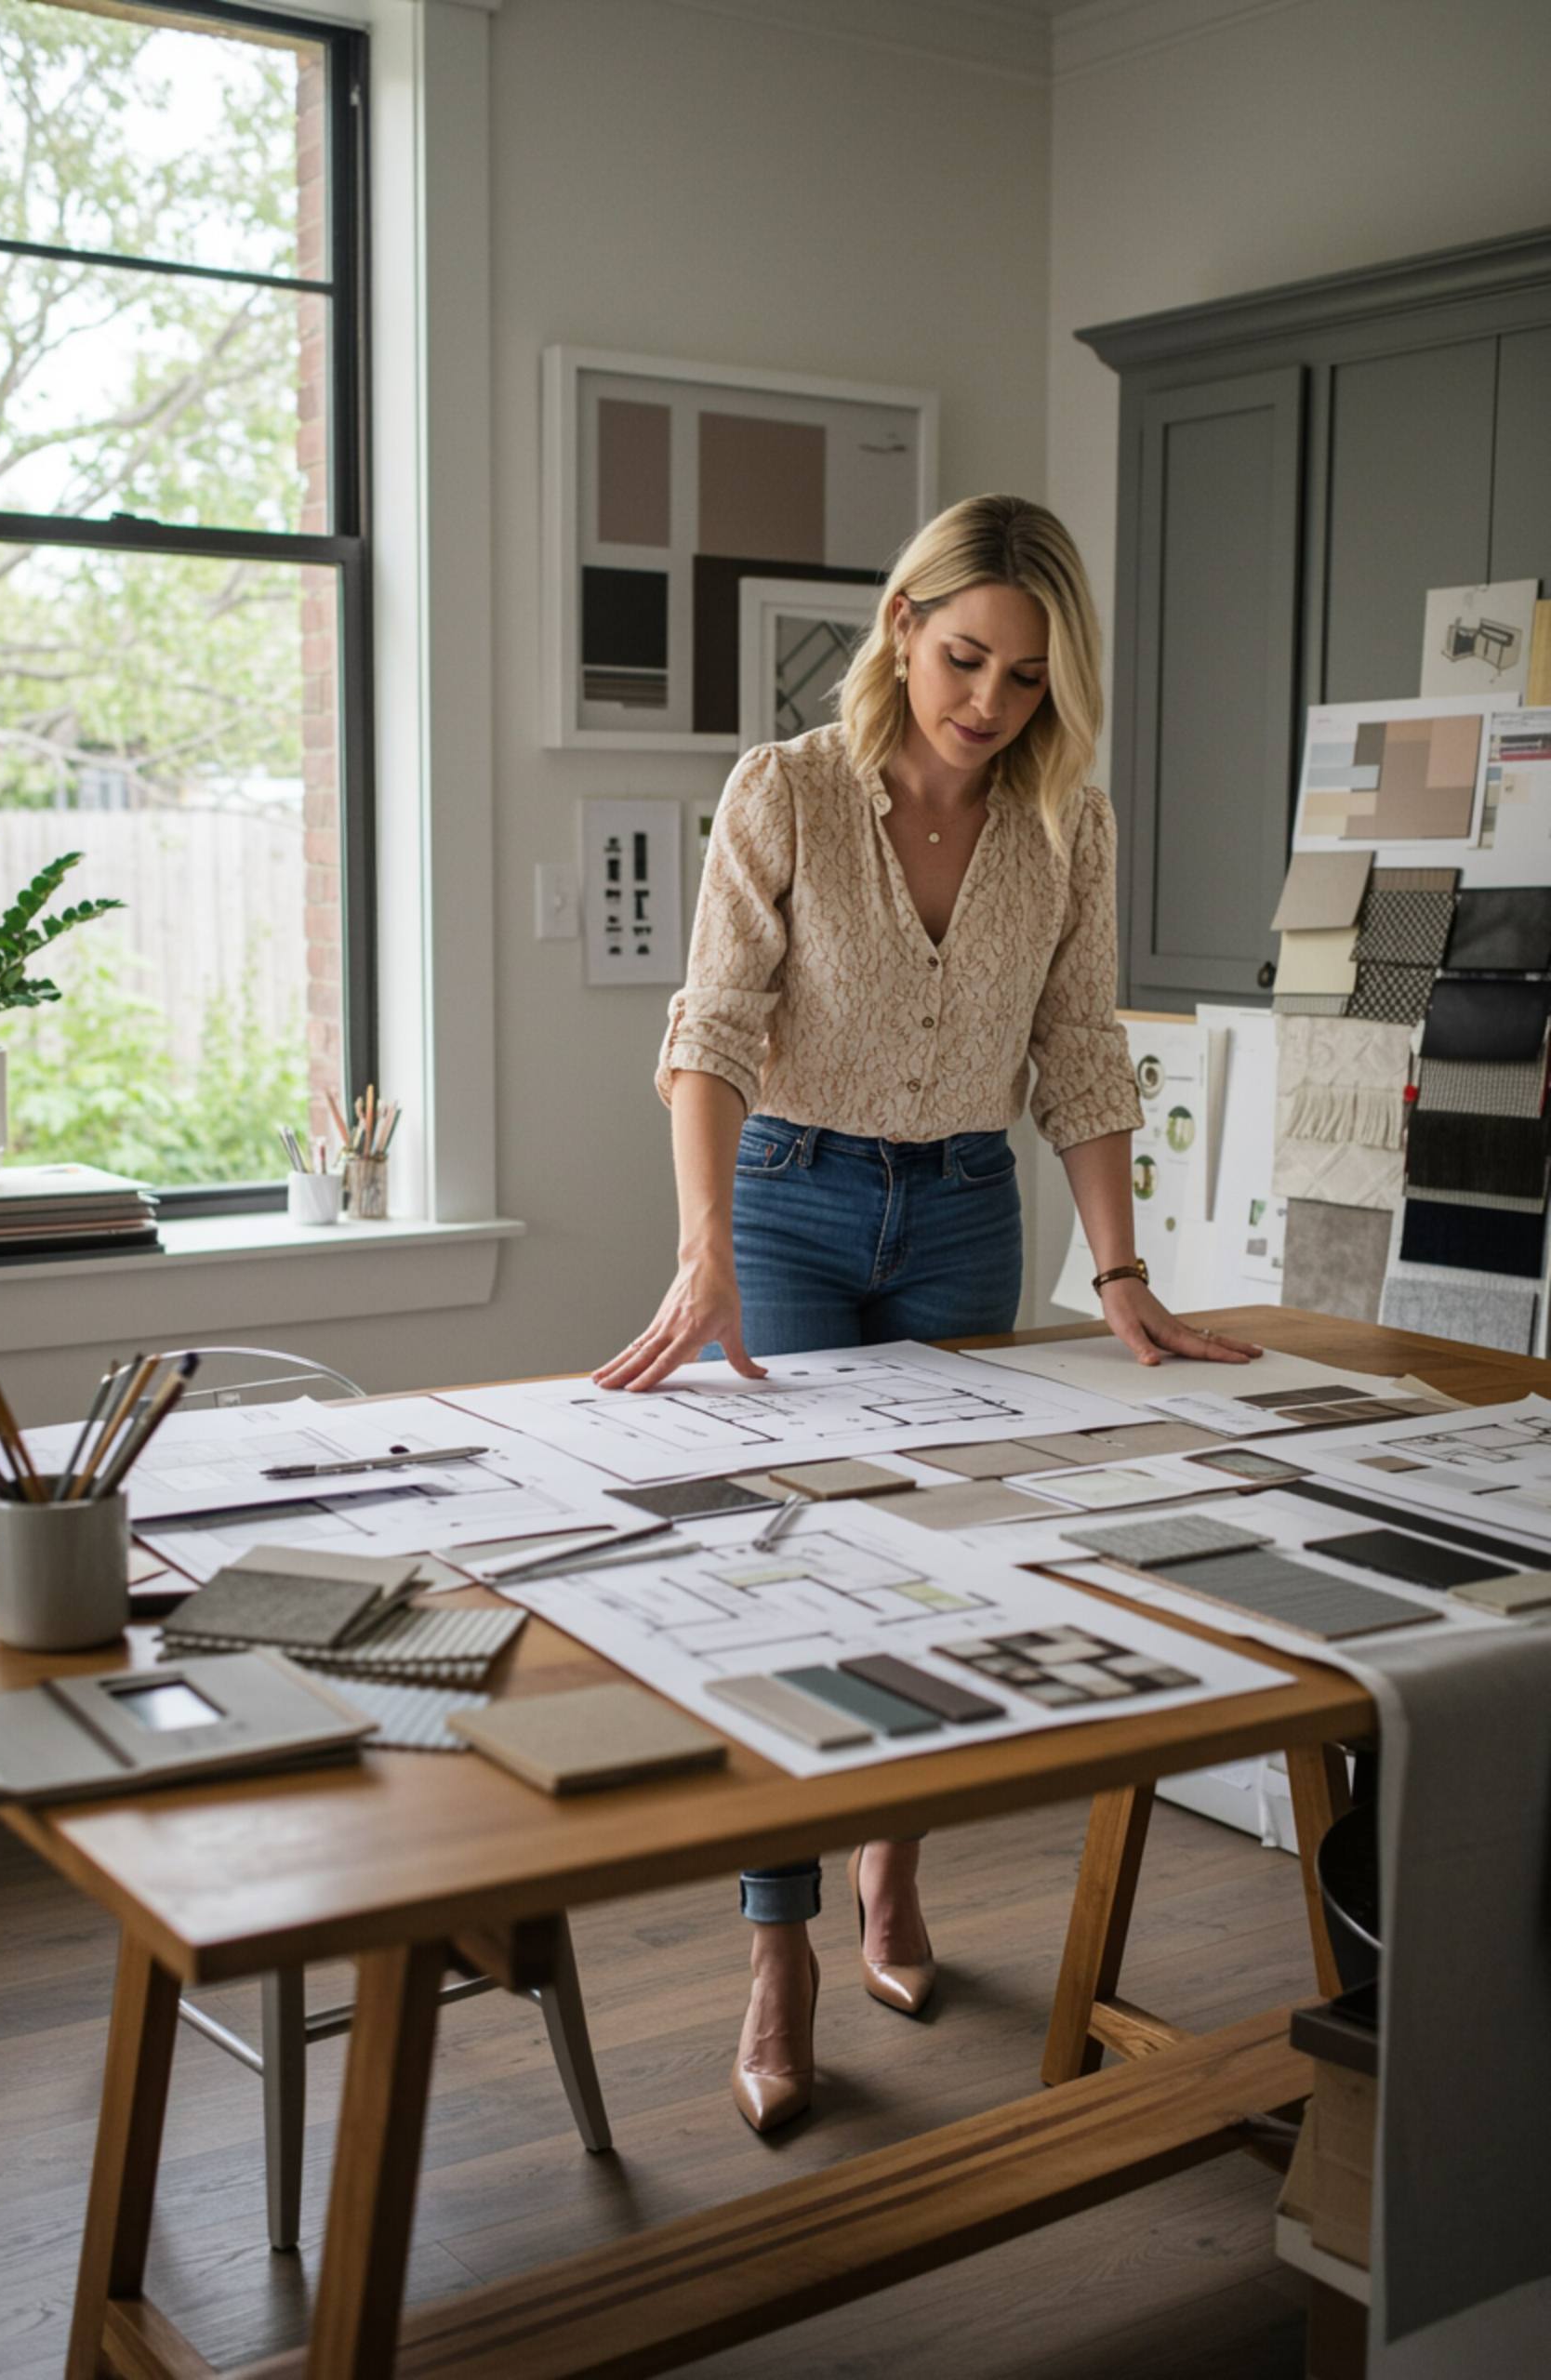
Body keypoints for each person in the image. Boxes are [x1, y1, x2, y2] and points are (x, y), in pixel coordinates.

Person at [593, 493, 1261, 2134]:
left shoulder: (1066, 830)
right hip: (797, 1206)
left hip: (967, 1211)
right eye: (966, 657)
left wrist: (1121, 1275)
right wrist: (706, 1249)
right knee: (798, 1582)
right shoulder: (789, 796)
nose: (988, 700)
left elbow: (1082, 1060)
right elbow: (714, 1032)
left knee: (943, 1575)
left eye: (1027, 677)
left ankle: (893, 1881)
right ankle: (781, 1948)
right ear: (903, 628)